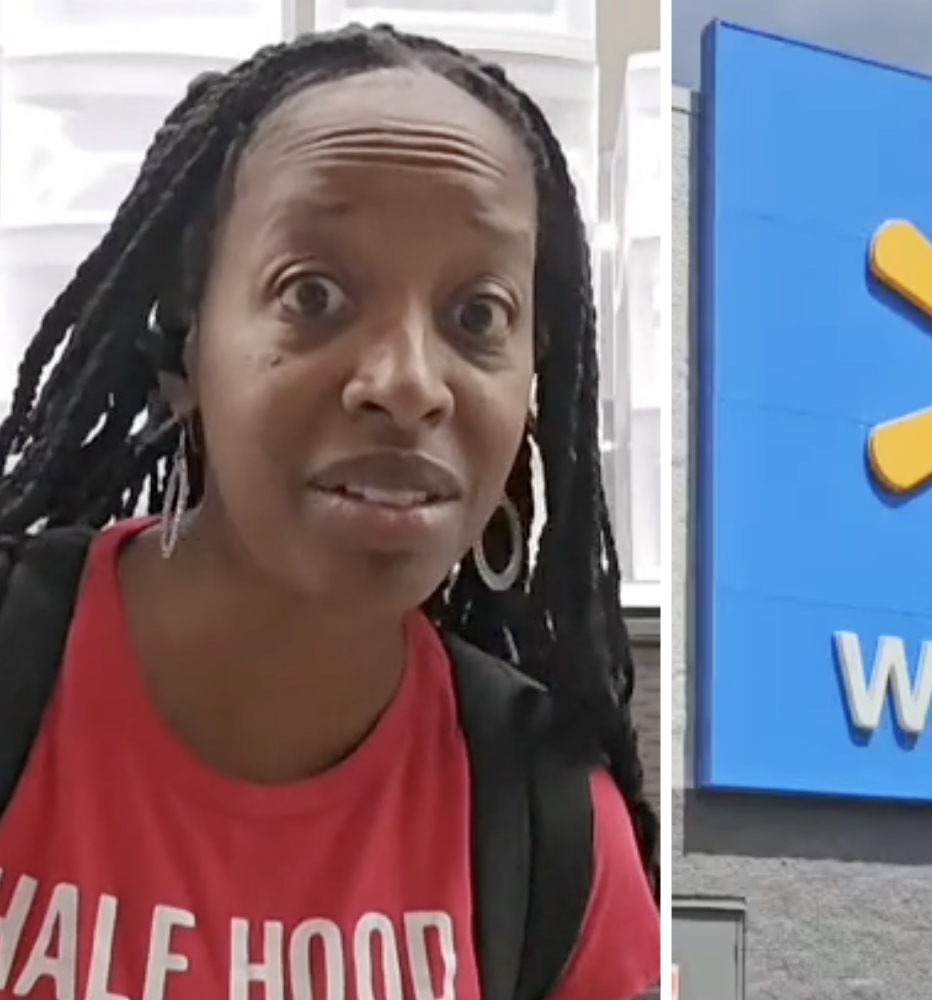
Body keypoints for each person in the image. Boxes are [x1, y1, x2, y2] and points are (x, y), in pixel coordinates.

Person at [0, 24, 659, 998]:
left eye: (476, 315)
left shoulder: (551, 827)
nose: (405, 383)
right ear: (187, 347)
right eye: (313, 293)